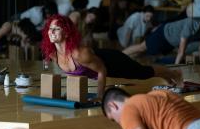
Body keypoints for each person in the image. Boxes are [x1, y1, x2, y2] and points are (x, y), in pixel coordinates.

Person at [41, 14, 182, 99]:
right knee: (143, 73)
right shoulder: (54, 54)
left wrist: (100, 96)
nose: (51, 32)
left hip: (113, 61)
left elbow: (101, 71)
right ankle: (167, 77)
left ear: (66, 32)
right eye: (50, 29)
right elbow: (73, 74)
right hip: (102, 62)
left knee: (142, 73)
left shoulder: (80, 54)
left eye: (56, 29)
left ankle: (174, 73)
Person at [123, 16, 200, 65]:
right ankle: (120, 56)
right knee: (141, 47)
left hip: (170, 42)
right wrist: (176, 68)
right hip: (163, 34)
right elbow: (181, 51)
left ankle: (125, 61)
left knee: (144, 53)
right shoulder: (191, 25)